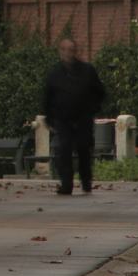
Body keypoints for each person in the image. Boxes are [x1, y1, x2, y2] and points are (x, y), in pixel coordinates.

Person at [43, 38, 106, 195]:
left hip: (83, 119)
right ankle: (66, 184)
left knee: (84, 150)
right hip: (63, 120)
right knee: (63, 151)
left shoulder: (87, 71)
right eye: (64, 50)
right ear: (60, 52)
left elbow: (100, 92)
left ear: (75, 51)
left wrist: (93, 109)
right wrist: (49, 117)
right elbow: (47, 97)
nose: (68, 53)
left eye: (71, 50)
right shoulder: (54, 74)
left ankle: (86, 182)